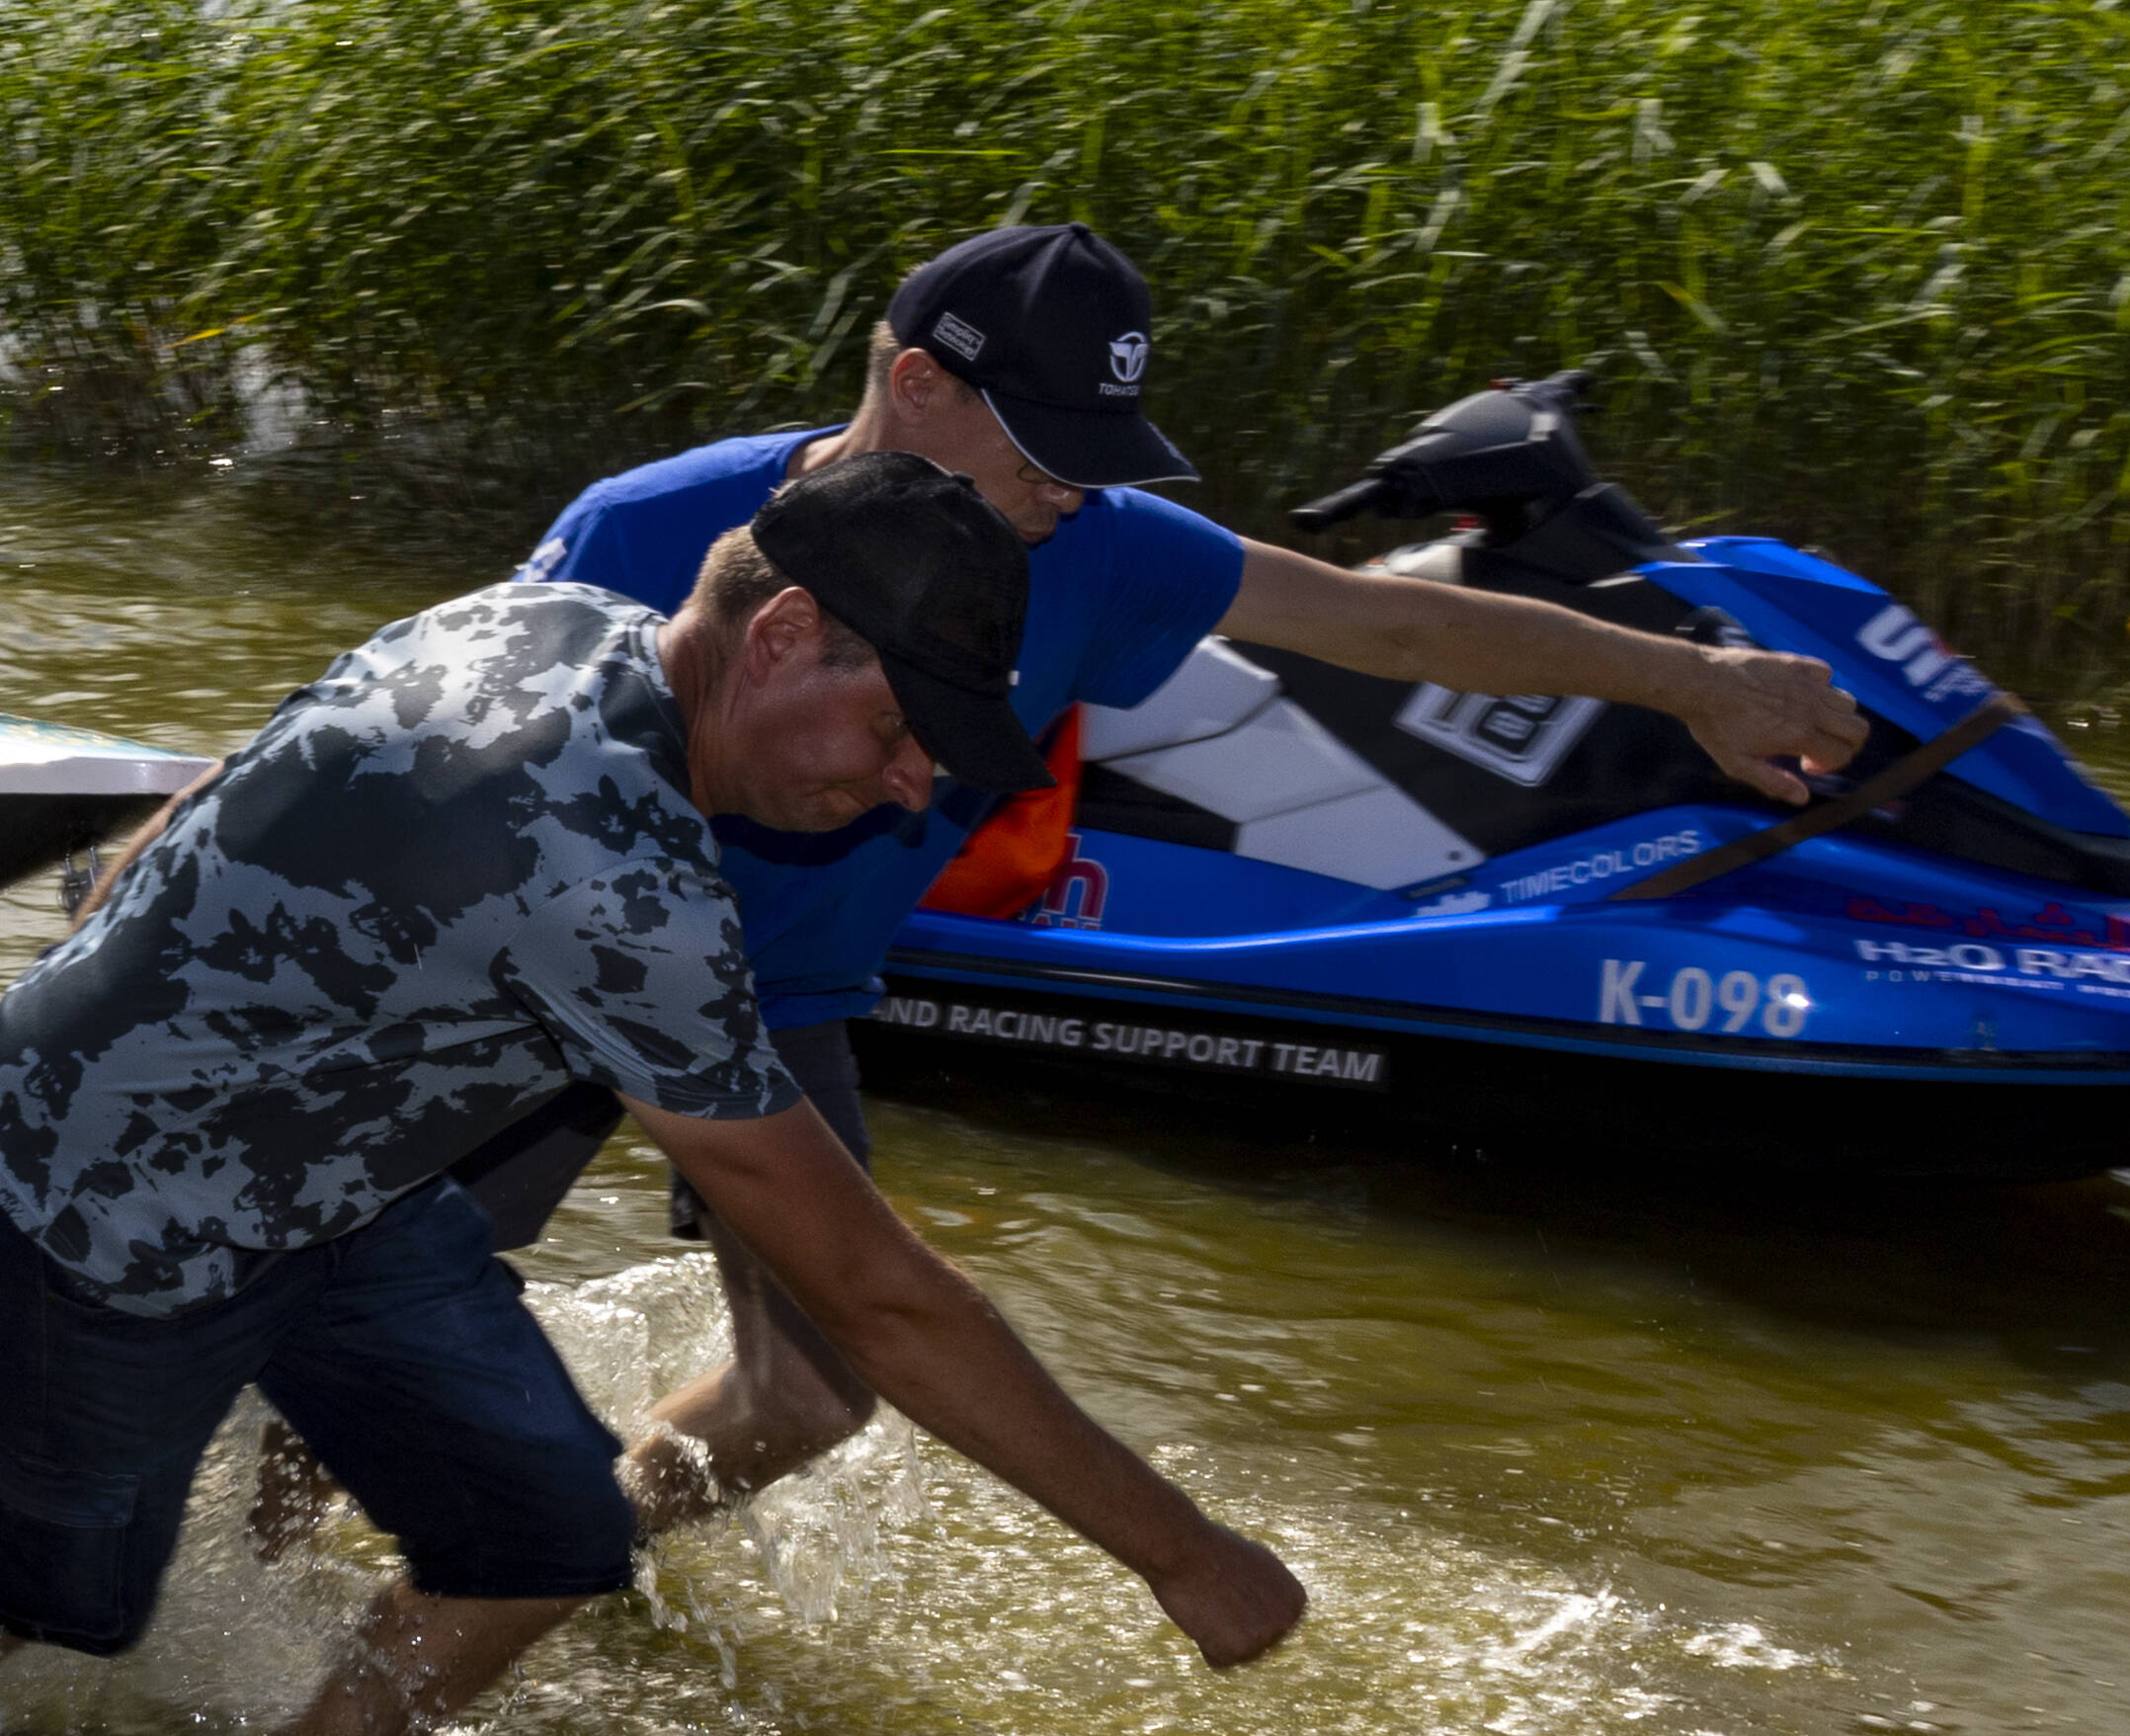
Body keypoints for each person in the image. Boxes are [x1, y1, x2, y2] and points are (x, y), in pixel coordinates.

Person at [0, 450, 1308, 1736]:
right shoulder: (610, 878)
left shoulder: (547, 617)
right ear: (782, 636)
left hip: (336, 1186)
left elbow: (204, 800)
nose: (914, 787)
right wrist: (1181, 1553)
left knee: (545, 1541)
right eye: (898, 729)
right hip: (99, 1217)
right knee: (32, 1600)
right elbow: (875, 1294)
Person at [519, 219, 1870, 1525]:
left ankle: (562, 1561)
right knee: (417, 1293)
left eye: (1093, 456)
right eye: (1042, 449)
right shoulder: (643, 527)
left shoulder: (1097, 549)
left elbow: (1389, 626)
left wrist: (1695, 680)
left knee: (813, 1391)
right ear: (917, 384)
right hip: (539, 962)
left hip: (779, 999)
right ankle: (416, 1544)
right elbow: (460, 758)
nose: (1068, 489)